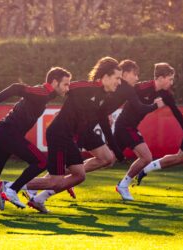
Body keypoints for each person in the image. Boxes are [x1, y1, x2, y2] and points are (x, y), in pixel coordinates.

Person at [11, 56, 122, 213]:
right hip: (65, 133)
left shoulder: (105, 94)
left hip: (79, 133)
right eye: (117, 78)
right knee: (60, 179)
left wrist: (105, 117)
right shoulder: (85, 87)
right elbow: (63, 88)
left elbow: (96, 113)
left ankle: (37, 194)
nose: (120, 82)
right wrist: (40, 97)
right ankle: (15, 186)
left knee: (102, 161)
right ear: (105, 77)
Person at [0, 67, 71, 217]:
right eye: (66, 84)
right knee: (41, 162)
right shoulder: (43, 92)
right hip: (8, 134)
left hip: (0, 133)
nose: (68, 88)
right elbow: (16, 87)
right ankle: (11, 190)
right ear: (54, 82)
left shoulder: (46, 95)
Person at [115, 62, 183, 201]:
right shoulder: (141, 87)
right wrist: (155, 106)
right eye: (170, 79)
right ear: (160, 78)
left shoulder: (165, 95)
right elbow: (129, 102)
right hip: (124, 126)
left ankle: (72, 173)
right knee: (146, 157)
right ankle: (123, 185)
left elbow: (177, 112)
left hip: (130, 127)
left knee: (107, 159)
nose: (171, 82)